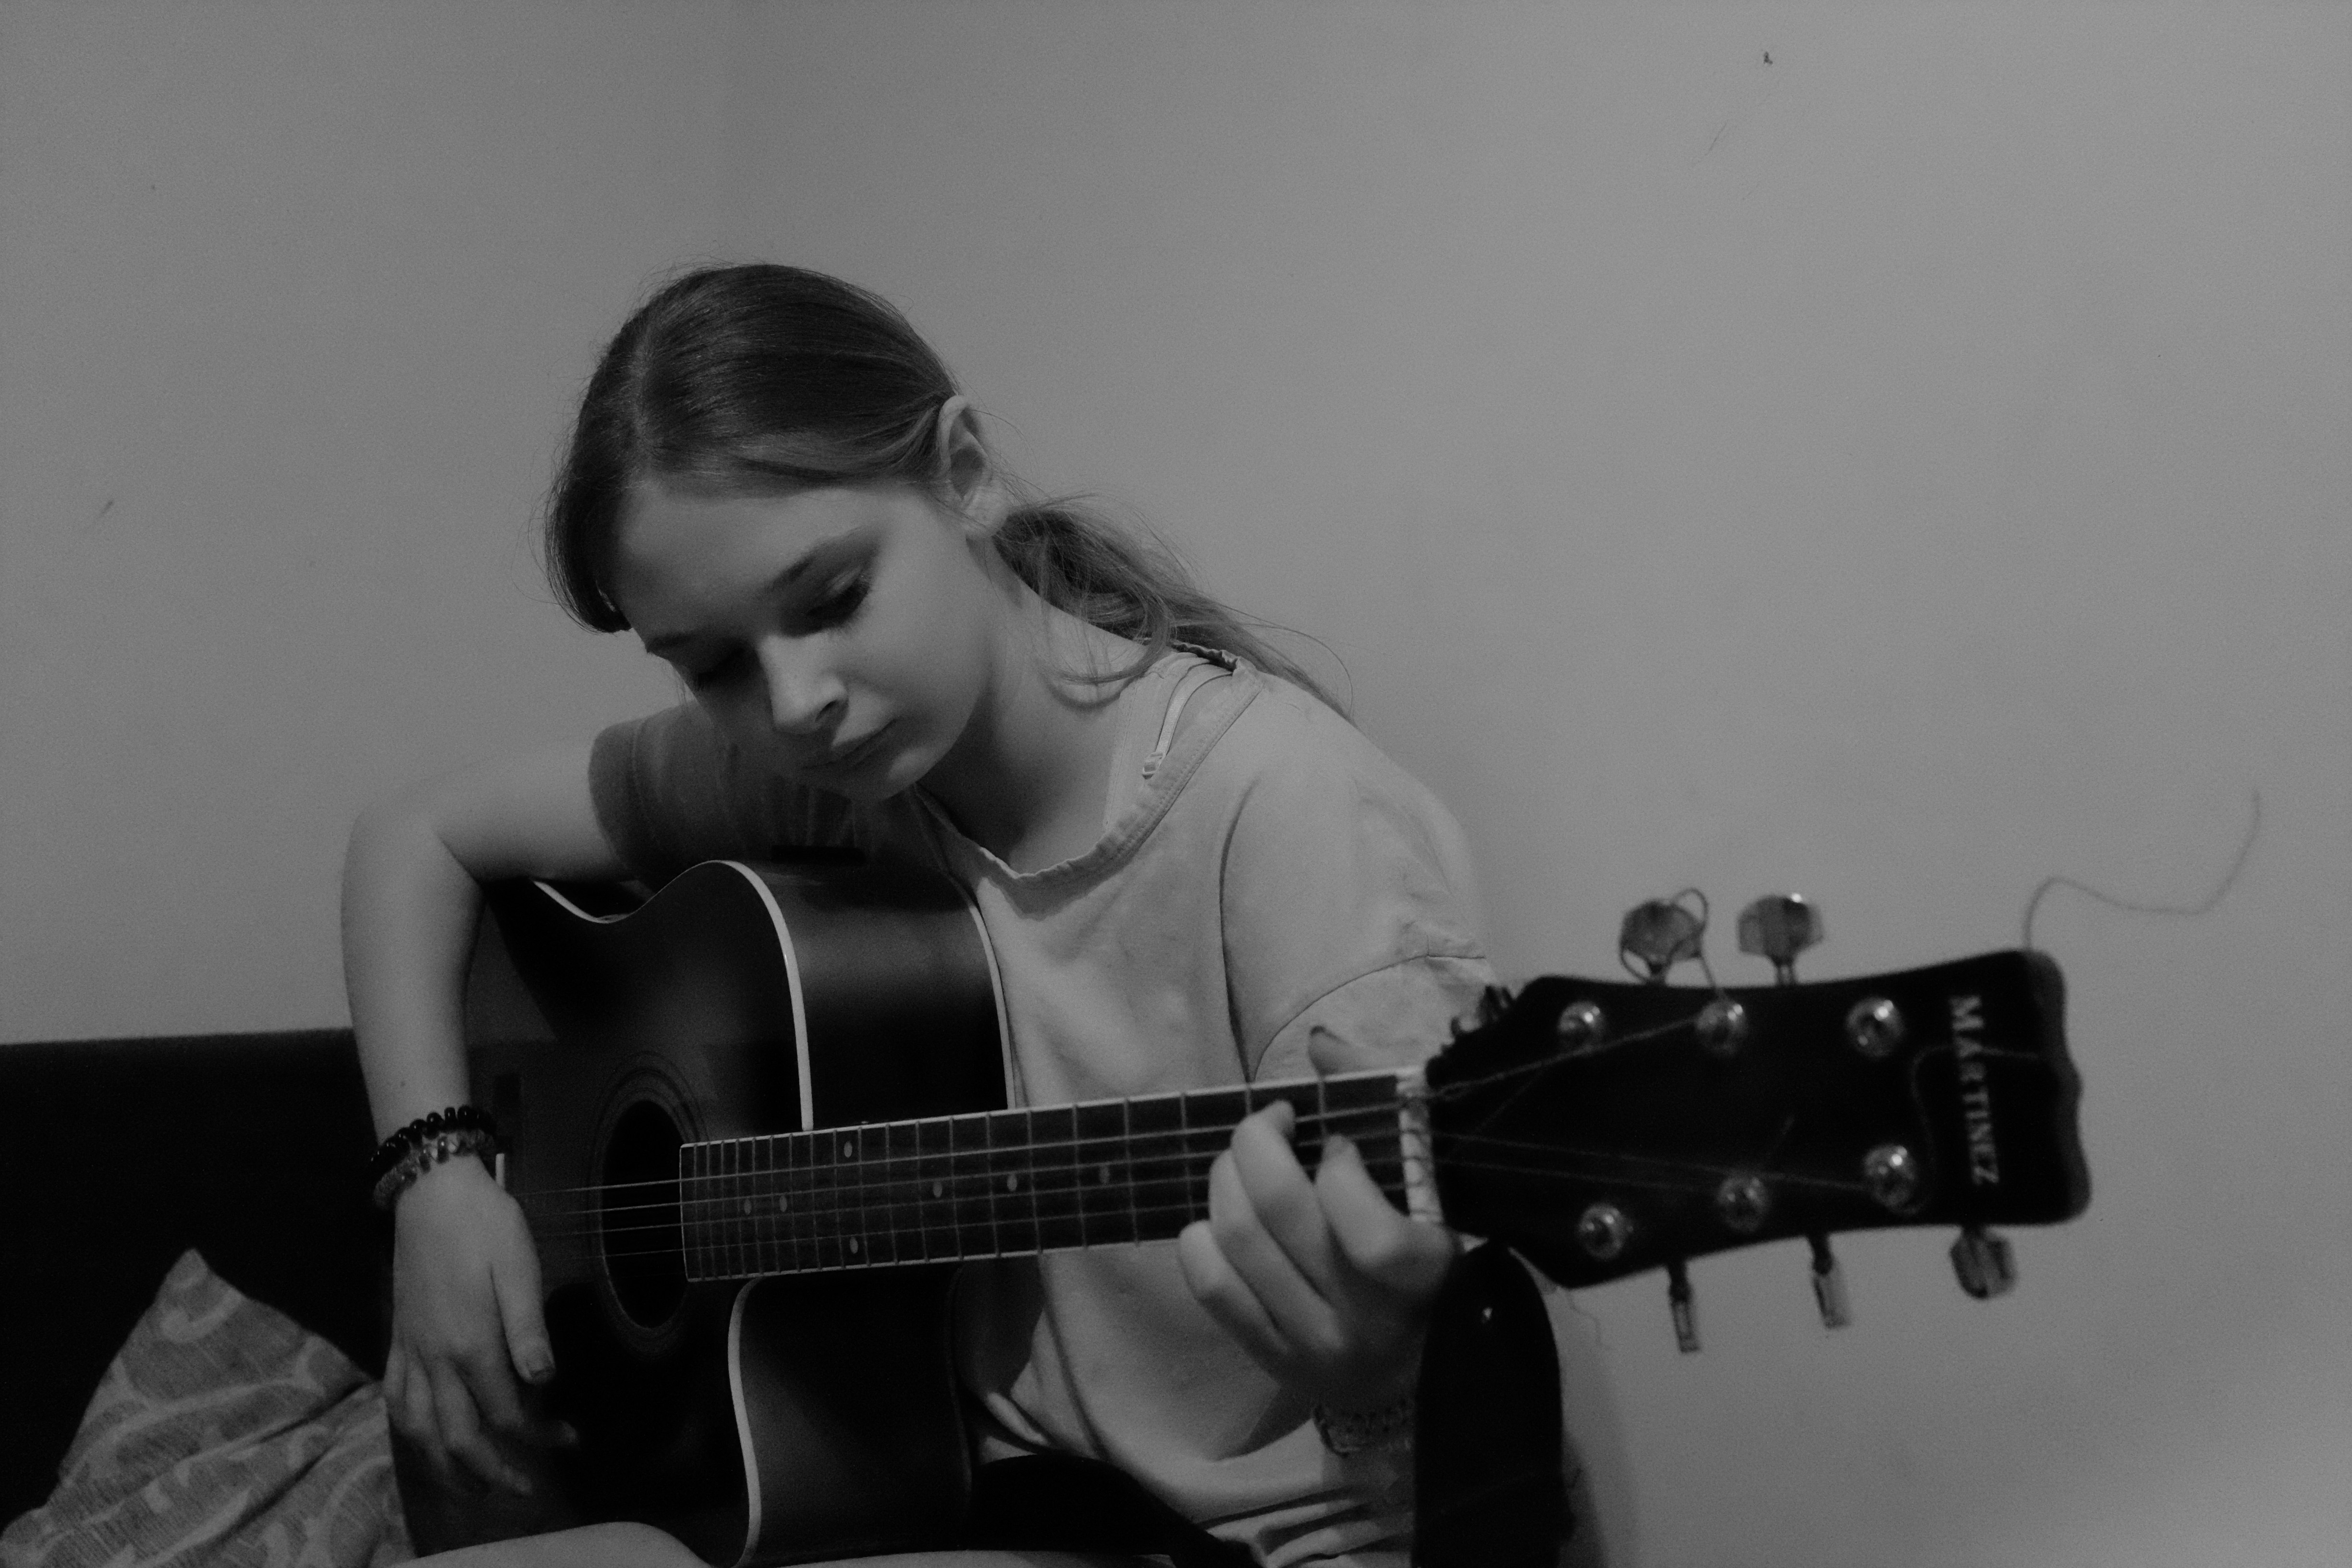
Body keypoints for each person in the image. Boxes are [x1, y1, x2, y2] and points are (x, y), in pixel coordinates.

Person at [343, 264, 1494, 1568]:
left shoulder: (1288, 812)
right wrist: (436, 1185)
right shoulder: (814, 770)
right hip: (948, 1493)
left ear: (962, 474)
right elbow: (410, 839)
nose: (790, 704)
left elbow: (1464, 1419)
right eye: (711, 663)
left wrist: (1386, 1362)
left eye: (831, 599)